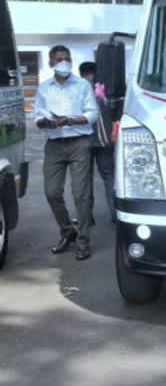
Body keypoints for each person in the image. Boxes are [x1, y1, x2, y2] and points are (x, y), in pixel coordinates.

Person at [34, 45, 98, 260]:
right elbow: (37, 117)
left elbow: (92, 115)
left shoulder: (82, 85)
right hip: (54, 145)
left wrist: (70, 120)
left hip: (79, 142)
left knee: (81, 194)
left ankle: (84, 241)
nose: (64, 62)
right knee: (51, 192)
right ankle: (67, 230)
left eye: (67, 58)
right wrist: (46, 122)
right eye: (59, 59)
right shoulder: (44, 88)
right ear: (51, 63)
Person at [78, 61, 116, 223]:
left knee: (85, 180)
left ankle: (87, 217)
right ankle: (115, 215)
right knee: (109, 178)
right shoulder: (105, 89)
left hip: (84, 142)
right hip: (104, 142)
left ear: (81, 74)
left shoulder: (77, 90)